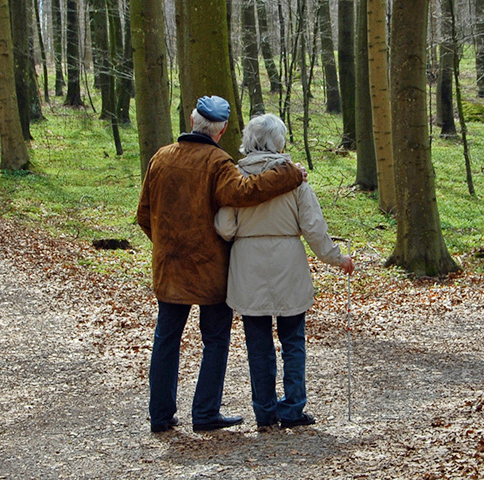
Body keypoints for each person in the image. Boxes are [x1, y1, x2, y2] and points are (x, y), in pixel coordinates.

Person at [136, 96, 306, 434]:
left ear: (191, 119)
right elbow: (245, 193)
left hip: (169, 268)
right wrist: (289, 174)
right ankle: (205, 413)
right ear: (223, 128)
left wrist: (167, 246)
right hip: (209, 270)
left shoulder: (161, 157)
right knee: (214, 340)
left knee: (166, 339)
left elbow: (144, 214)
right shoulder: (218, 162)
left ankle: (160, 416)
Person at [215, 114, 354, 430]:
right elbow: (314, 228)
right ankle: (293, 408)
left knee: (258, 344)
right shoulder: (295, 179)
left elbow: (225, 227)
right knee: (293, 341)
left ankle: (264, 411)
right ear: (279, 142)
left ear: (249, 142)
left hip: (248, 266)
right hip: (288, 264)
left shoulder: (236, 178)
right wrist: (338, 259)